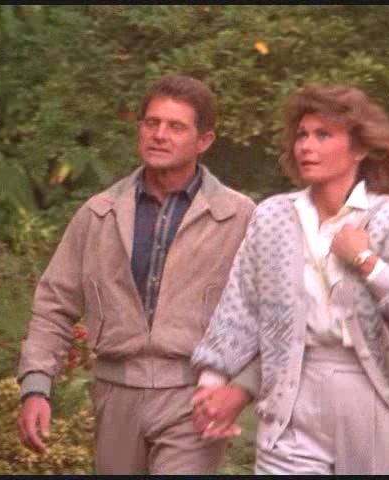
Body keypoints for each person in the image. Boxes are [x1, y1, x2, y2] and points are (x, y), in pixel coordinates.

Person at [191, 85, 389, 474]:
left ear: (360, 148)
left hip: (378, 399)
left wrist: (368, 263)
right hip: (290, 401)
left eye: (323, 135)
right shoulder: (273, 217)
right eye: (302, 134)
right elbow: (241, 304)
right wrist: (212, 381)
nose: (306, 146)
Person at [15, 74, 258, 474]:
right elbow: (53, 305)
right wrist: (36, 387)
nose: (159, 135)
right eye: (151, 123)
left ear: (204, 141)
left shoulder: (239, 217)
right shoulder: (98, 214)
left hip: (193, 396)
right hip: (115, 395)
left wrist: (241, 388)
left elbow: (270, 314)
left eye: (176, 126)